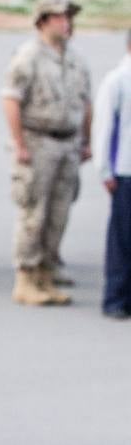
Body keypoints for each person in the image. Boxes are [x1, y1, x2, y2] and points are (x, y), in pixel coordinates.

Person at [2, 0, 92, 307]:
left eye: (69, 17)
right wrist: (19, 144)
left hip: (68, 142)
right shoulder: (28, 56)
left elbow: (86, 102)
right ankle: (25, 277)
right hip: (39, 141)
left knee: (59, 212)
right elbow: (11, 100)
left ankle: (45, 272)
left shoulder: (75, 58)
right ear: (42, 21)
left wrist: (87, 140)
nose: (66, 23)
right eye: (59, 17)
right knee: (33, 213)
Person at [92, 29, 131, 320]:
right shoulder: (118, 80)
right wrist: (104, 168)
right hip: (125, 170)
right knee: (123, 238)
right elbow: (103, 127)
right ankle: (115, 298)